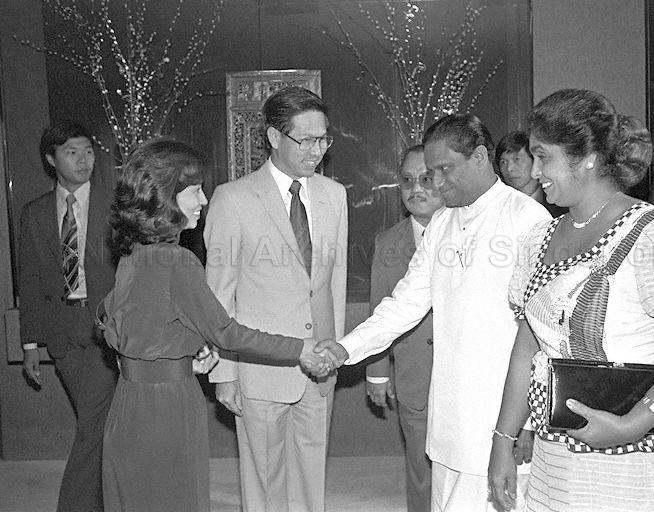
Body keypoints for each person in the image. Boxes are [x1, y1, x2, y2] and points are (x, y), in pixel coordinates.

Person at [488, 88, 654, 512]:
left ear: (586, 157)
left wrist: (632, 424)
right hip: (559, 463)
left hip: (641, 466)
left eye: (543, 156)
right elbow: (525, 348)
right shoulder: (539, 239)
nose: (534, 171)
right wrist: (503, 440)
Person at [319, 114, 551, 511]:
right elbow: (404, 303)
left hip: (503, 417)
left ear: (480, 157)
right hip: (449, 417)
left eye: (445, 170)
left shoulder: (525, 218)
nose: (437, 183)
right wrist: (346, 350)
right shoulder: (442, 223)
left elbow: (544, 331)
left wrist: (527, 422)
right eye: (431, 172)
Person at [100, 137, 332, 512]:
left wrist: (180, 359)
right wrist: (299, 349)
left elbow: (128, 331)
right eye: (194, 190)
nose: (204, 200)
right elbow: (227, 332)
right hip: (168, 410)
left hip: (128, 405)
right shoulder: (177, 261)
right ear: (164, 196)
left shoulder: (132, 255)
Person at [205, 86, 348, 512]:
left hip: (319, 366)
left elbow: (331, 282)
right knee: (265, 484)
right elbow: (219, 296)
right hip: (259, 366)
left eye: (323, 139)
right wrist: (224, 373)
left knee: (310, 481)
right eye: (305, 140)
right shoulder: (233, 199)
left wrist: (334, 350)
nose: (316, 150)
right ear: (272, 136)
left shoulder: (333, 194)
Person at [19, 120, 118, 512]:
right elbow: (28, 279)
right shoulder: (35, 213)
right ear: (51, 159)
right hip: (62, 333)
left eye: (88, 152)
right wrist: (30, 343)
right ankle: (111, 498)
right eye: (72, 153)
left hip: (106, 330)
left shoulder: (117, 205)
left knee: (92, 422)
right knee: (95, 425)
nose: (83, 160)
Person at [365, 144, 444, 512]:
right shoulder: (389, 242)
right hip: (415, 374)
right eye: (408, 180)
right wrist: (378, 373)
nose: (417, 189)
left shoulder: (472, 233)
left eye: (427, 179)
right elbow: (381, 307)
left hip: (467, 375)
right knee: (421, 466)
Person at [495, 131, 566, 217]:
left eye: (517, 159)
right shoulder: (496, 207)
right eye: (503, 162)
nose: (509, 168)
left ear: (535, 161)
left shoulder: (560, 203)